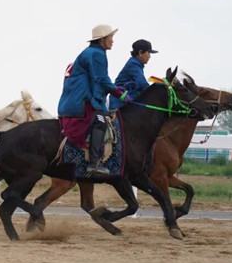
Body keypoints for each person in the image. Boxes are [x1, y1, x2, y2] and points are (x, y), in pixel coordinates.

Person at [57, 24, 129, 175]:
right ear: (102, 39)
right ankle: (94, 163)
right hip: (81, 102)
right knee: (101, 121)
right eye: (110, 38)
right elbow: (101, 80)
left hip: (75, 100)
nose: (112, 41)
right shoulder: (97, 54)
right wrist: (119, 94)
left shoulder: (91, 52)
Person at [109, 39, 158, 110]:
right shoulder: (133, 65)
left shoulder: (136, 64)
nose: (150, 56)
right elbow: (142, 84)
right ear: (140, 52)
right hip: (119, 103)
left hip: (125, 101)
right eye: (149, 53)